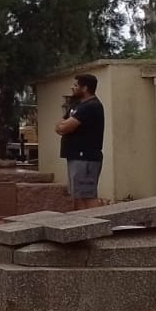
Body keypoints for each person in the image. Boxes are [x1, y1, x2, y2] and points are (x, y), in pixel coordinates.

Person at [55, 72, 105, 209]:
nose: (72, 87)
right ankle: (81, 226)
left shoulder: (91, 106)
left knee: (87, 195)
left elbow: (66, 127)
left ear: (85, 88)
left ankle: (95, 226)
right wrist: (62, 126)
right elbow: (59, 125)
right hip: (75, 157)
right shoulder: (77, 106)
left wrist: (63, 127)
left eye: (76, 85)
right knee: (77, 196)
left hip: (85, 158)